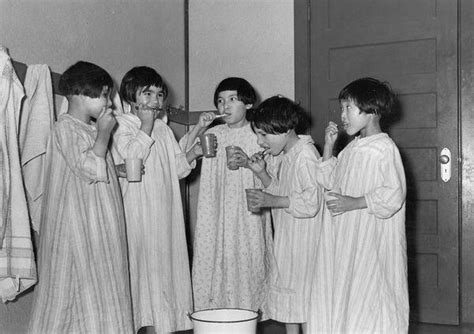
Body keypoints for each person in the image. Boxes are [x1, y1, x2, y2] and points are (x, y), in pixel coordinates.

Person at [28, 61, 133, 333]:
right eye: (103, 95)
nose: (109, 102)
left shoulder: (88, 128)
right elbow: (86, 166)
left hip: (97, 226)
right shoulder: (66, 127)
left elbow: (94, 168)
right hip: (75, 226)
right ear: (78, 95)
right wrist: (105, 134)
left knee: (99, 289)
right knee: (68, 294)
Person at [308, 77, 409, 333]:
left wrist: (355, 202)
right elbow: (331, 182)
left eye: (348, 108)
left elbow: (393, 195)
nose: (342, 115)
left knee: (370, 294)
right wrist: (329, 147)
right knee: (348, 294)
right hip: (347, 237)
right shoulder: (353, 148)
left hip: (370, 238)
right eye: (342, 108)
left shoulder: (384, 149)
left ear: (372, 110)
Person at [112, 66, 199, 333]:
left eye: (159, 95)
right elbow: (129, 157)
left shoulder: (163, 129)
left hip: (164, 213)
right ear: (130, 97)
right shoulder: (120, 125)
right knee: (139, 277)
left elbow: (178, 170)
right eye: (147, 93)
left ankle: (159, 327)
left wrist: (193, 154)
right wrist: (146, 126)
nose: (155, 101)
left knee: (163, 276)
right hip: (136, 214)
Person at [180, 77, 274, 314]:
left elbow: (273, 176)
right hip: (215, 210)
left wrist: (249, 163)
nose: (226, 106)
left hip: (246, 212)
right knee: (212, 257)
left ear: (249, 104)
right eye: (221, 101)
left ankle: (246, 316)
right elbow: (181, 153)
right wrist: (200, 127)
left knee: (247, 260)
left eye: (233, 99)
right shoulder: (215, 133)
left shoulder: (258, 135)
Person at [244, 96, 323, 334]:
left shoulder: (306, 156)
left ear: (287, 130)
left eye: (263, 135)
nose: (259, 142)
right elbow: (282, 191)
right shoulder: (287, 155)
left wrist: (272, 200)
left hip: (306, 241)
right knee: (291, 297)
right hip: (290, 238)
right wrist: (262, 173)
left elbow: (311, 202)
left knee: (306, 300)